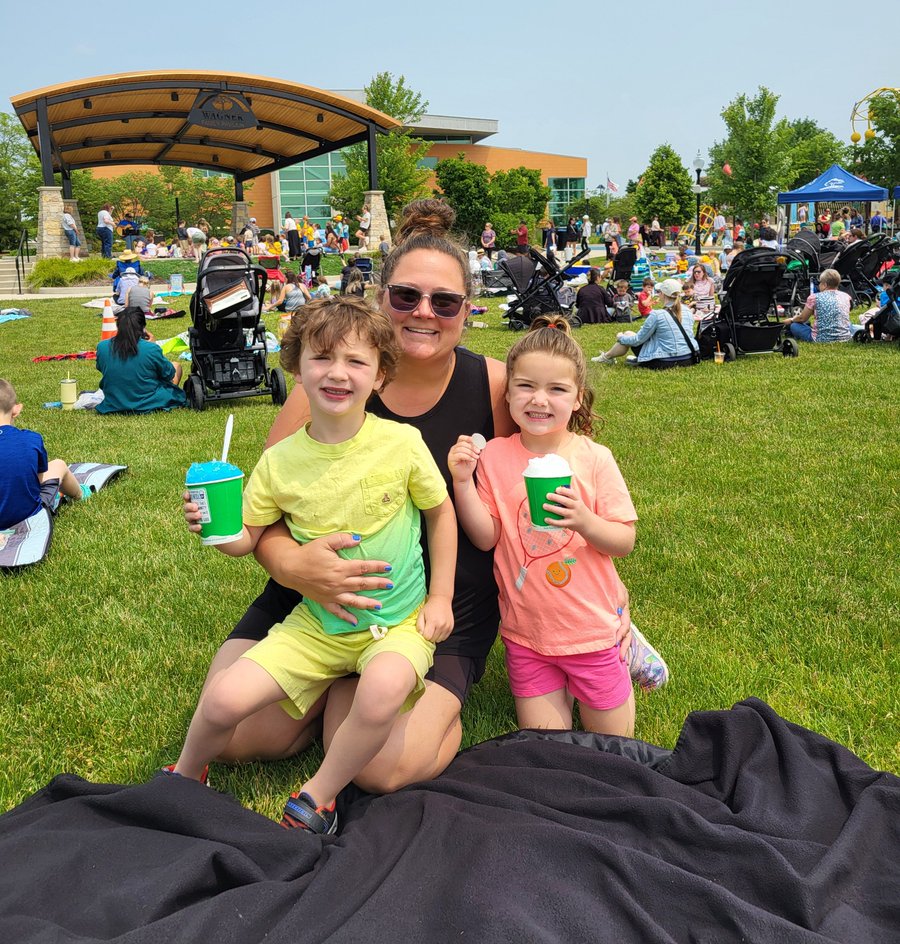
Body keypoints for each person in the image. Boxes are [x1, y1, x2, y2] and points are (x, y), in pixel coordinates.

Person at [181, 200, 659, 793]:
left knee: (380, 768)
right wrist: (295, 566)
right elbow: (266, 513)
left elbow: (562, 474)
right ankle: (326, 689)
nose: (424, 313)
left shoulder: (494, 385)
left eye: (445, 302)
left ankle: (366, 700)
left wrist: (603, 594)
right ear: (381, 299)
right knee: (230, 737)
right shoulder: (325, 382)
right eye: (406, 296)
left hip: (435, 612)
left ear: (465, 310)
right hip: (309, 601)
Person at [170, 300, 457, 834]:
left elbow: (441, 516)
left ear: (380, 376)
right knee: (223, 698)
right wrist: (222, 531)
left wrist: (440, 597)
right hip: (317, 625)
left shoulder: (401, 443)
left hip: (396, 624)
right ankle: (186, 775)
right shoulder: (280, 461)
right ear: (296, 367)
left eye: (357, 361)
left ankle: (317, 796)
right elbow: (248, 540)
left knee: (383, 688)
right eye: (322, 358)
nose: (338, 373)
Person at [449, 317, 655, 736]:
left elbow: (624, 540)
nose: (539, 399)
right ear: (507, 394)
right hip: (527, 635)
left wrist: (584, 521)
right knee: (547, 748)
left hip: (591, 631)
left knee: (614, 746)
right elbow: (486, 536)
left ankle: (627, 647)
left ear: (578, 399)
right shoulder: (495, 457)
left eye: (557, 389)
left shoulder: (594, 458)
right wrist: (461, 482)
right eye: (525, 386)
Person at [0, 379, 91, 531]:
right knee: (58, 465)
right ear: (16, 410)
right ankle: (80, 493)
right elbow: (40, 476)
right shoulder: (31, 439)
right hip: (26, 516)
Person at [95, 307, 187, 413]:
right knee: (176, 366)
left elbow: (101, 368)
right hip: (149, 401)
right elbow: (169, 373)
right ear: (143, 328)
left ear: (118, 325)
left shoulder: (102, 347)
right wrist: (152, 346)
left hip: (115, 401)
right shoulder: (151, 349)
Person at [593, 278, 700, 368]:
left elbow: (637, 340)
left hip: (664, 360)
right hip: (688, 357)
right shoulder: (687, 311)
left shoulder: (657, 315)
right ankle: (607, 357)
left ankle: (606, 357)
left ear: (662, 294)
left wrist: (620, 337)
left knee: (628, 334)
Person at [786, 269, 851, 343]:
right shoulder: (846, 296)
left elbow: (802, 318)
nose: (819, 285)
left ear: (825, 285)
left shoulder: (814, 297)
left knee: (794, 326)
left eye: (820, 283)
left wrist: (791, 320)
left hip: (820, 339)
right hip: (845, 338)